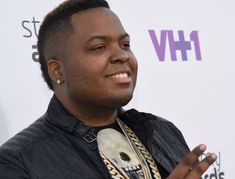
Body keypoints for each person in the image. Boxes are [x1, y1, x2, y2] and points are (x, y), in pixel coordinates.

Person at [0, 0, 217, 178]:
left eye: (125, 45)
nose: (122, 56)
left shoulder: (161, 130)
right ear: (57, 71)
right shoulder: (17, 161)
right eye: (99, 47)